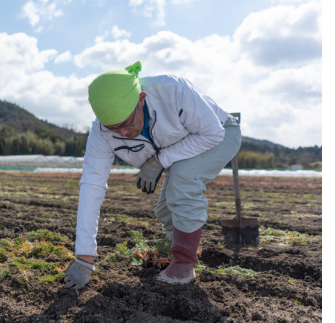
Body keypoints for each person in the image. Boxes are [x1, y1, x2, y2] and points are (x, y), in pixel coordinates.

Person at [64, 61, 241, 289]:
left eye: (127, 123)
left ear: (141, 99)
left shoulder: (173, 90)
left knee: (183, 181)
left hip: (220, 132)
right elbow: (92, 186)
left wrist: (160, 160)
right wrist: (84, 257)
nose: (124, 134)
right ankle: (177, 249)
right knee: (165, 209)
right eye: (114, 128)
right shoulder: (100, 133)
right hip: (182, 150)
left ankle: (184, 266)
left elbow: (212, 134)